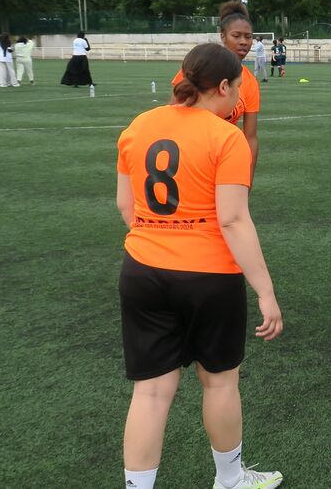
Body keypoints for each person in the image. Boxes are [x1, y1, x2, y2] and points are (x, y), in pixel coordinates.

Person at [116, 43, 284, 489]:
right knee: (220, 382)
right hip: (209, 276)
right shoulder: (226, 137)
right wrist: (265, 290)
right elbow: (232, 218)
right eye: (237, 91)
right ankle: (230, 479)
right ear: (223, 86)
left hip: (142, 270)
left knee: (150, 393)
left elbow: (125, 206)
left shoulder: (139, 125)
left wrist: (159, 238)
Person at [172, 1, 261, 184]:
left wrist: (246, 181)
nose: (244, 41)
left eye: (248, 36)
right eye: (236, 36)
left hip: (222, 158)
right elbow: (172, 113)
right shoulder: (200, 65)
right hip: (188, 157)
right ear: (223, 36)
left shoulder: (250, 82)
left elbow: (250, 137)